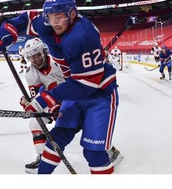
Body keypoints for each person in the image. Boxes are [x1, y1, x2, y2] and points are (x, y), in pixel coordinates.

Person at [0, 0, 119, 174]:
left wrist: (47, 99)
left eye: (58, 17)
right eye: (50, 17)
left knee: (93, 153)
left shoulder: (83, 36)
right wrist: (9, 28)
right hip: (72, 91)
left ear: (72, 14)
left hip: (99, 94)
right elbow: (28, 18)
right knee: (54, 141)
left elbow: (86, 85)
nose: (54, 22)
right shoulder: (46, 25)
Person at [21, 37, 123, 174]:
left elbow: (76, 83)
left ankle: (109, 149)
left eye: (37, 55)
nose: (35, 60)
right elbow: (38, 93)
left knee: (91, 127)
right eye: (31, 57)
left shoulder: (58, 62)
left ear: (44, 52)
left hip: (72, 96)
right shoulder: (30, 74)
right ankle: (42, 156)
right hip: (52, 101)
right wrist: (31, 102)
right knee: (35, 124)